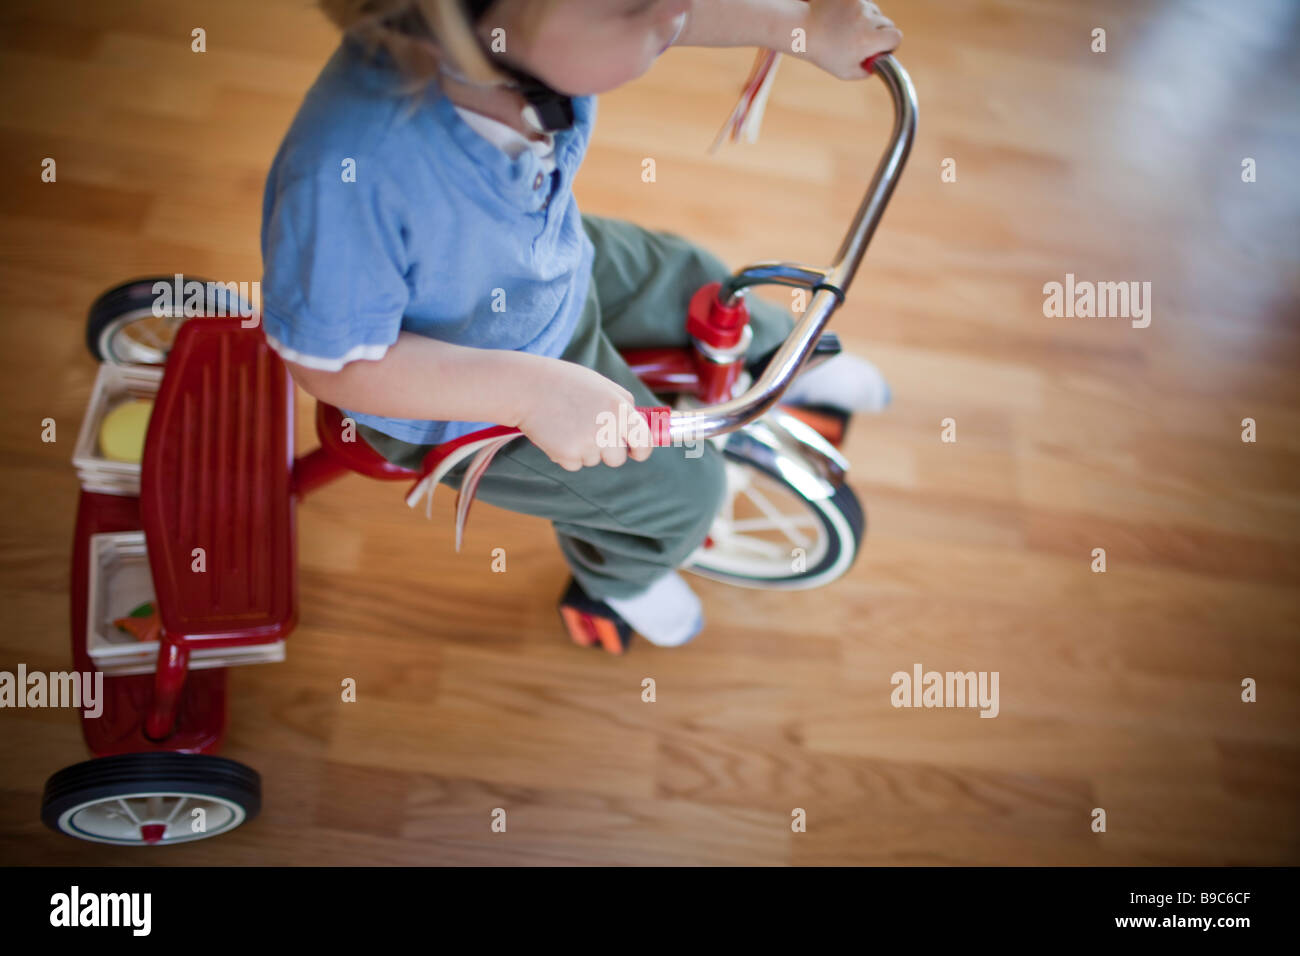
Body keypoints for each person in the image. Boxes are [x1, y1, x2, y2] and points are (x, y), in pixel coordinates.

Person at [260, 0, 901, 647]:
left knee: (700, 276)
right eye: (634, 8)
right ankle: (622, 582)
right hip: (458, 385)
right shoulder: (353, 172)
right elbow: (330, 365)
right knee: (684, 490)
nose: (675, 10)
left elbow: (673, 15)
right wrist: (529, 393)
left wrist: (800, 26)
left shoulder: (535, 39)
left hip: (542, 270)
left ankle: (791, 362)